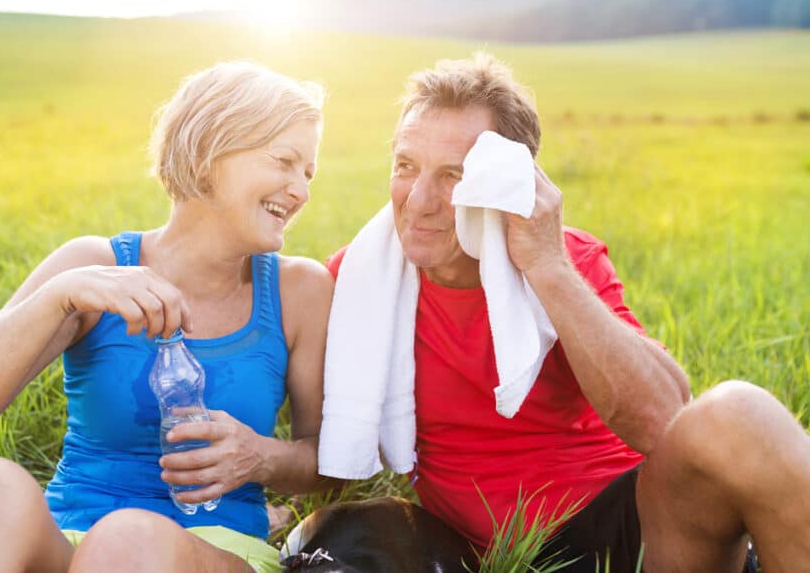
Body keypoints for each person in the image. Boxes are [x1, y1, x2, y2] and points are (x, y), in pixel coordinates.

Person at [320, 54, 810, 572]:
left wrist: (547, 267)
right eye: (405, 167)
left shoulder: (566, 260)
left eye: (453, 176)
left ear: (507, 183)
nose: (418, 201)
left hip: (635, 530)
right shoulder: (361, 282)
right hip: (497, 556)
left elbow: (663, 421)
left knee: (739, 413)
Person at [0, 61, 335, 573]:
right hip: (72, 539)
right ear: (206, 152)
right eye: (284, 161)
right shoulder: (93, 269)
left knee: (130, 542)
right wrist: (57, 297)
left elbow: (329, 463)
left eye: (308, 173)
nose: (301, 191)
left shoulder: (299, 290)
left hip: (218, 548)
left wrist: (259, 456)